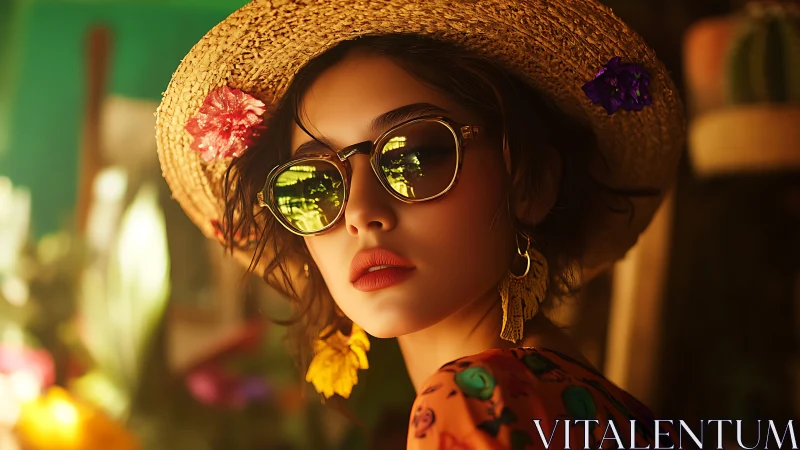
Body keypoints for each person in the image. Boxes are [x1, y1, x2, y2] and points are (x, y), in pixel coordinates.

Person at [155, 1, 685, 448]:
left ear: (529, 182)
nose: (361, 211)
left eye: (417, 154)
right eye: (311, 185)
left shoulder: (479, 404)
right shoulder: (580, 400)